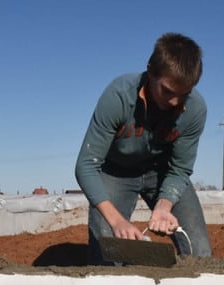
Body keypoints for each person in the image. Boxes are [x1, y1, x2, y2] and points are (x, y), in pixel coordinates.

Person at [75, 32, 212, 264]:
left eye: (184, 95)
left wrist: (164, 205)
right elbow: (86, 166)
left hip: (162, 173)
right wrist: (117, 221)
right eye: (167, 91)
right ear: (150, 71)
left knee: (199, 251)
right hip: (115, 171)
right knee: (107, 254)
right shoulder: (118, 96)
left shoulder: (196, 110)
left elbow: (179, 169)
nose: (176, 102)